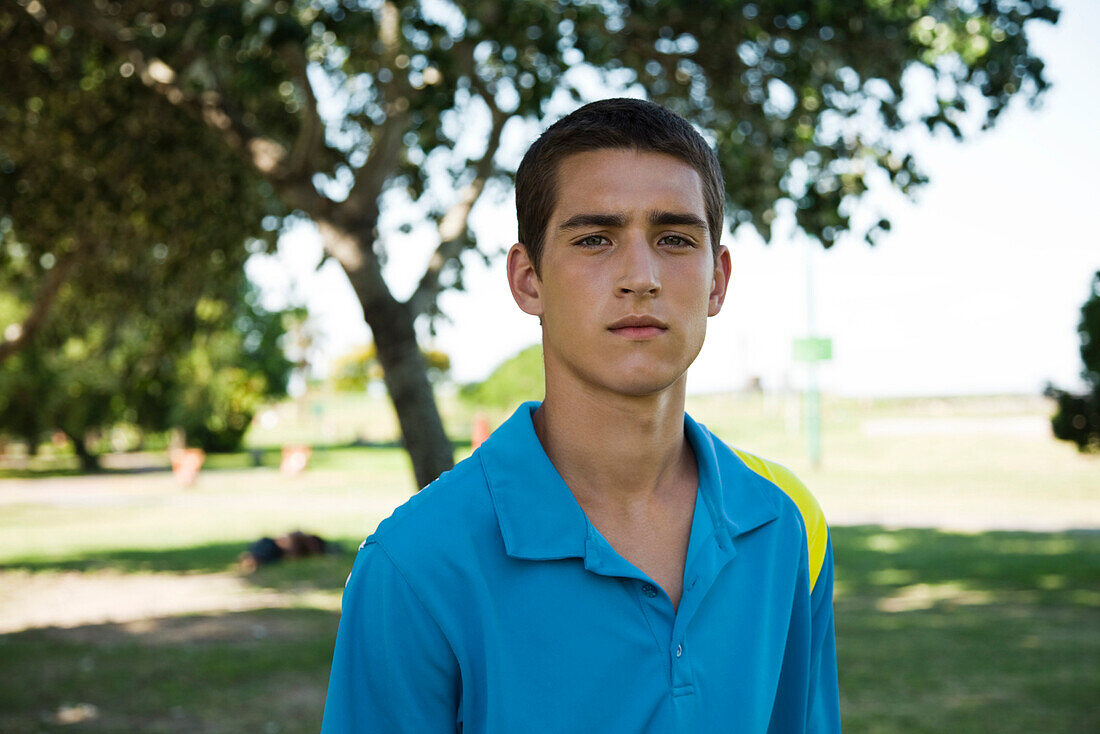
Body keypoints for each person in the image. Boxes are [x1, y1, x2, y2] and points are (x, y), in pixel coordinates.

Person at [321, 98, 841, 733]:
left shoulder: (782, 525)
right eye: (595, 238)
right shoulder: (415, 563)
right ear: (528, 279)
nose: (641, 276)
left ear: (717, 280)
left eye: (675, 238)